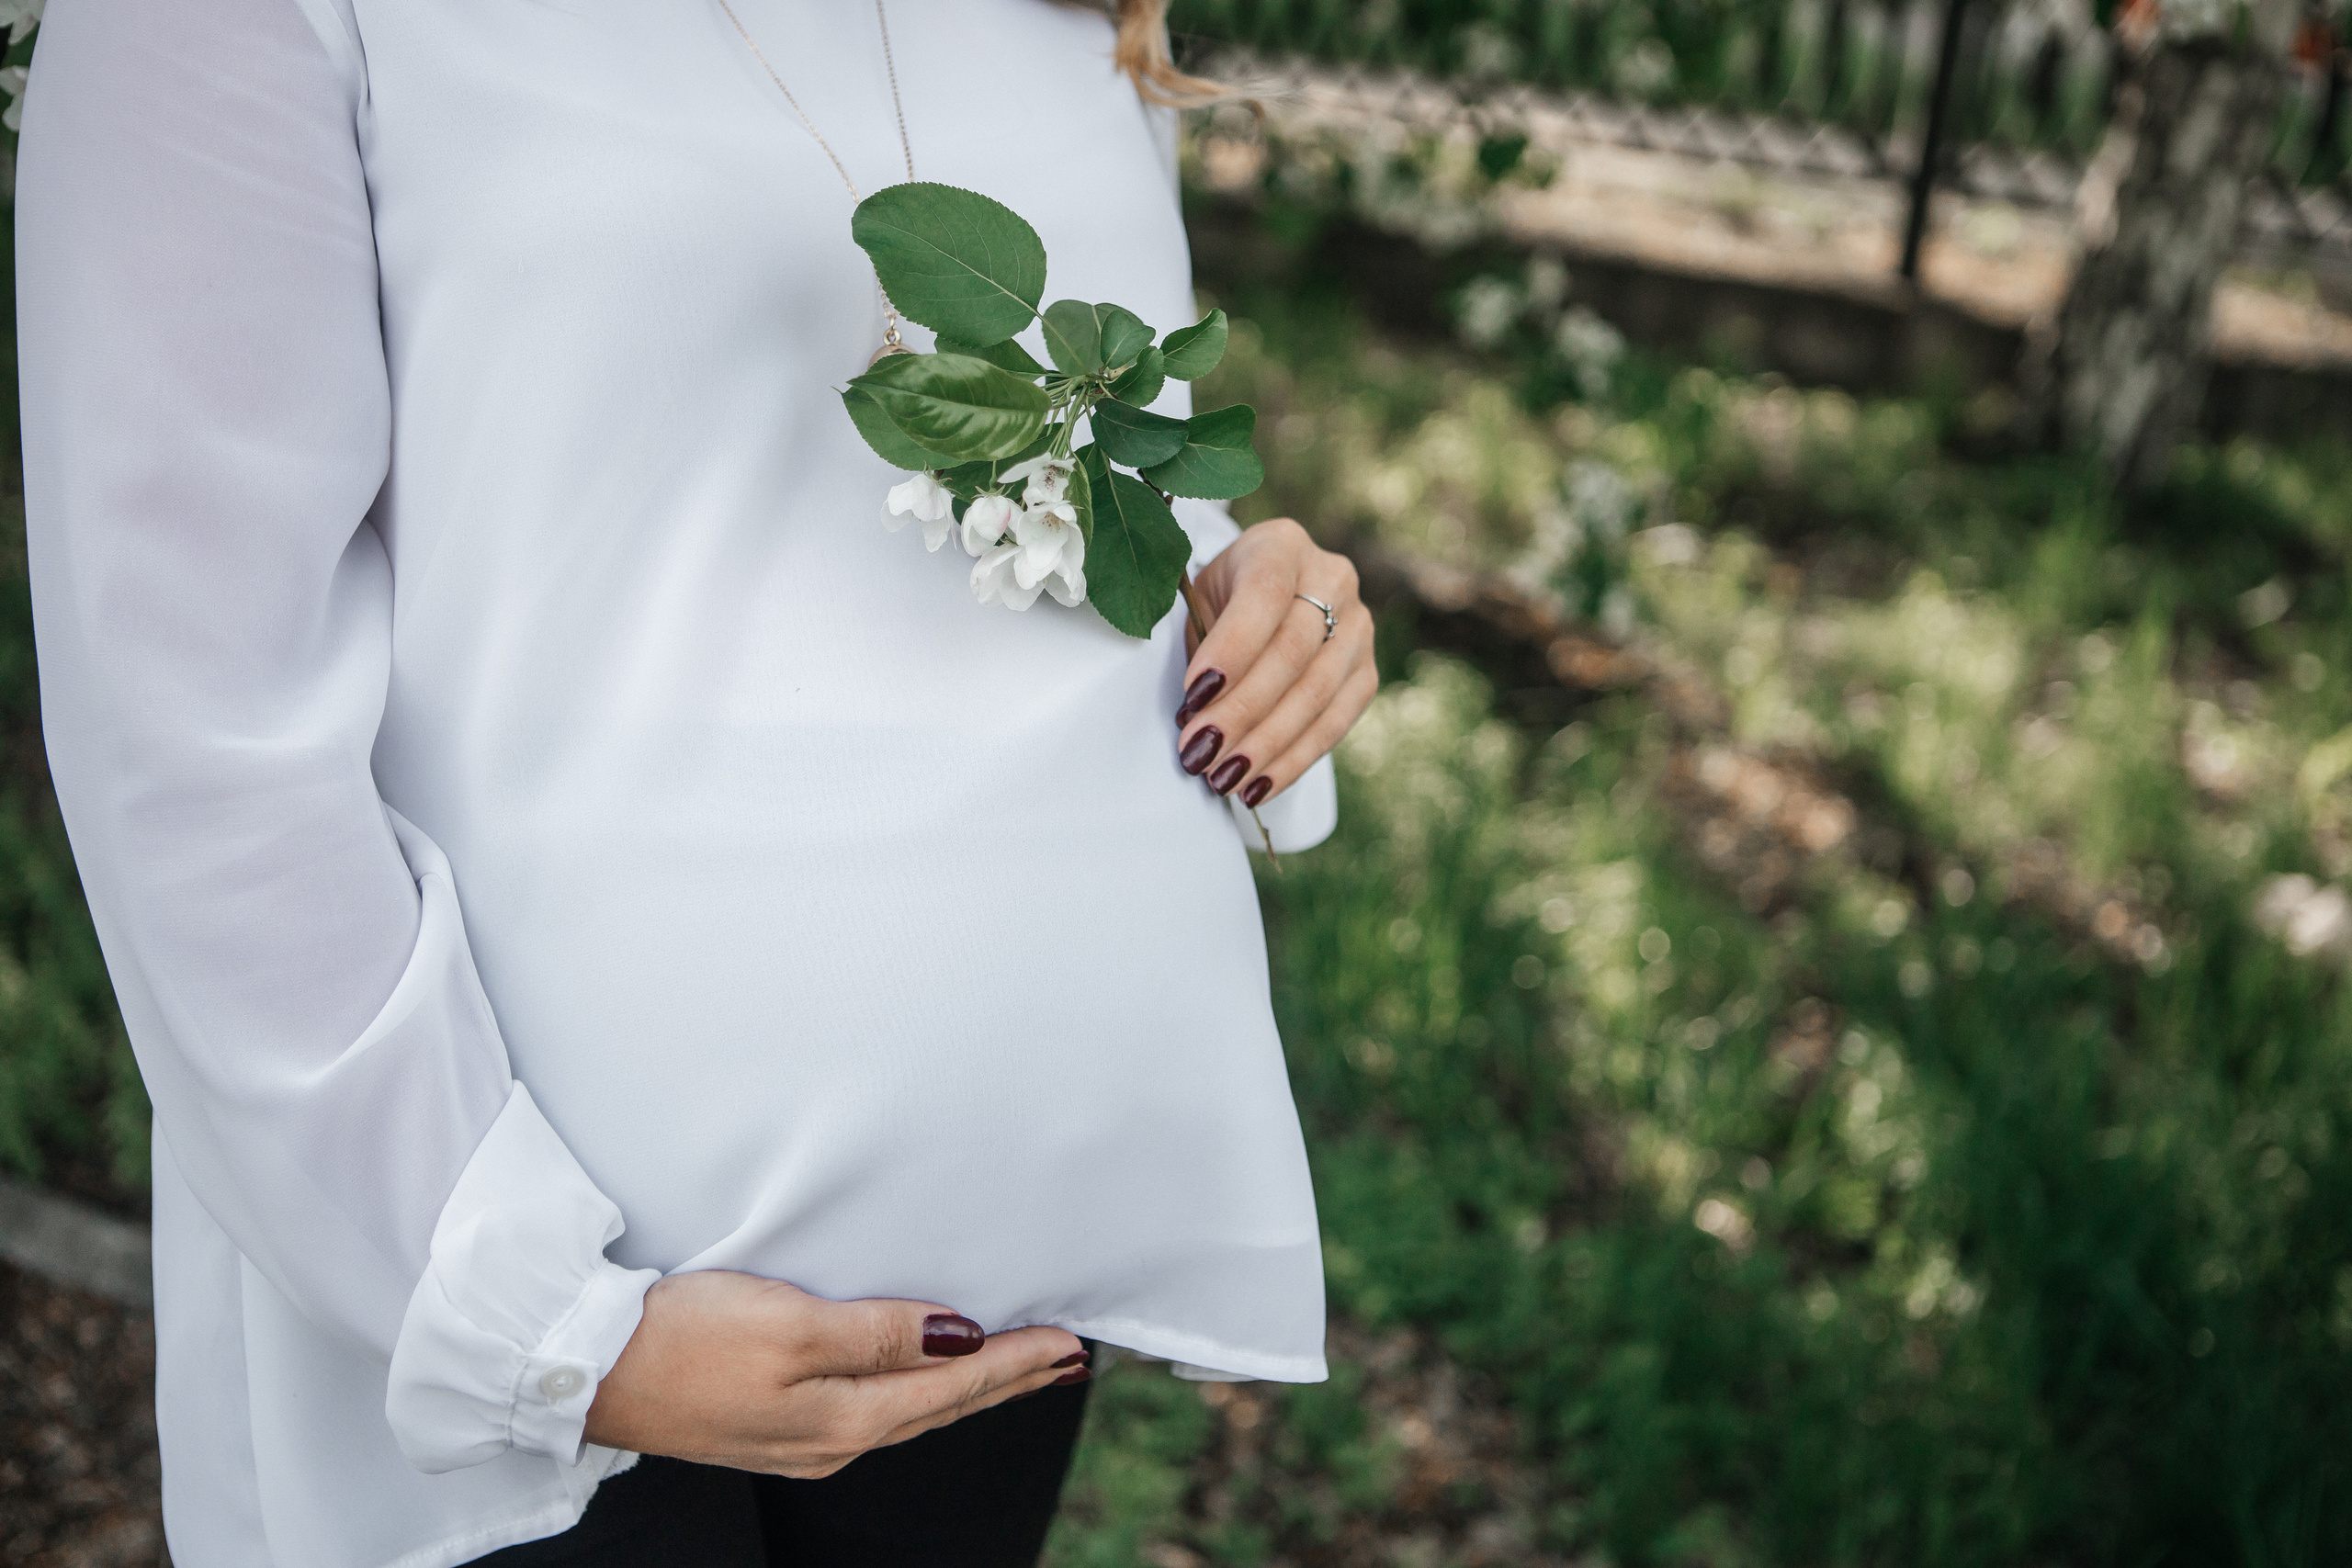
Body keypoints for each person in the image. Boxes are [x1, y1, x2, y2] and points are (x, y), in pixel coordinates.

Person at [16, 0, 1379, 1562]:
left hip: (1001, 1289)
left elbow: (1069, 516)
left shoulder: (1070, 13)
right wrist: (541, 1328)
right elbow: (192, 731)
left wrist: (1268, 604)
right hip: (546, 1342)